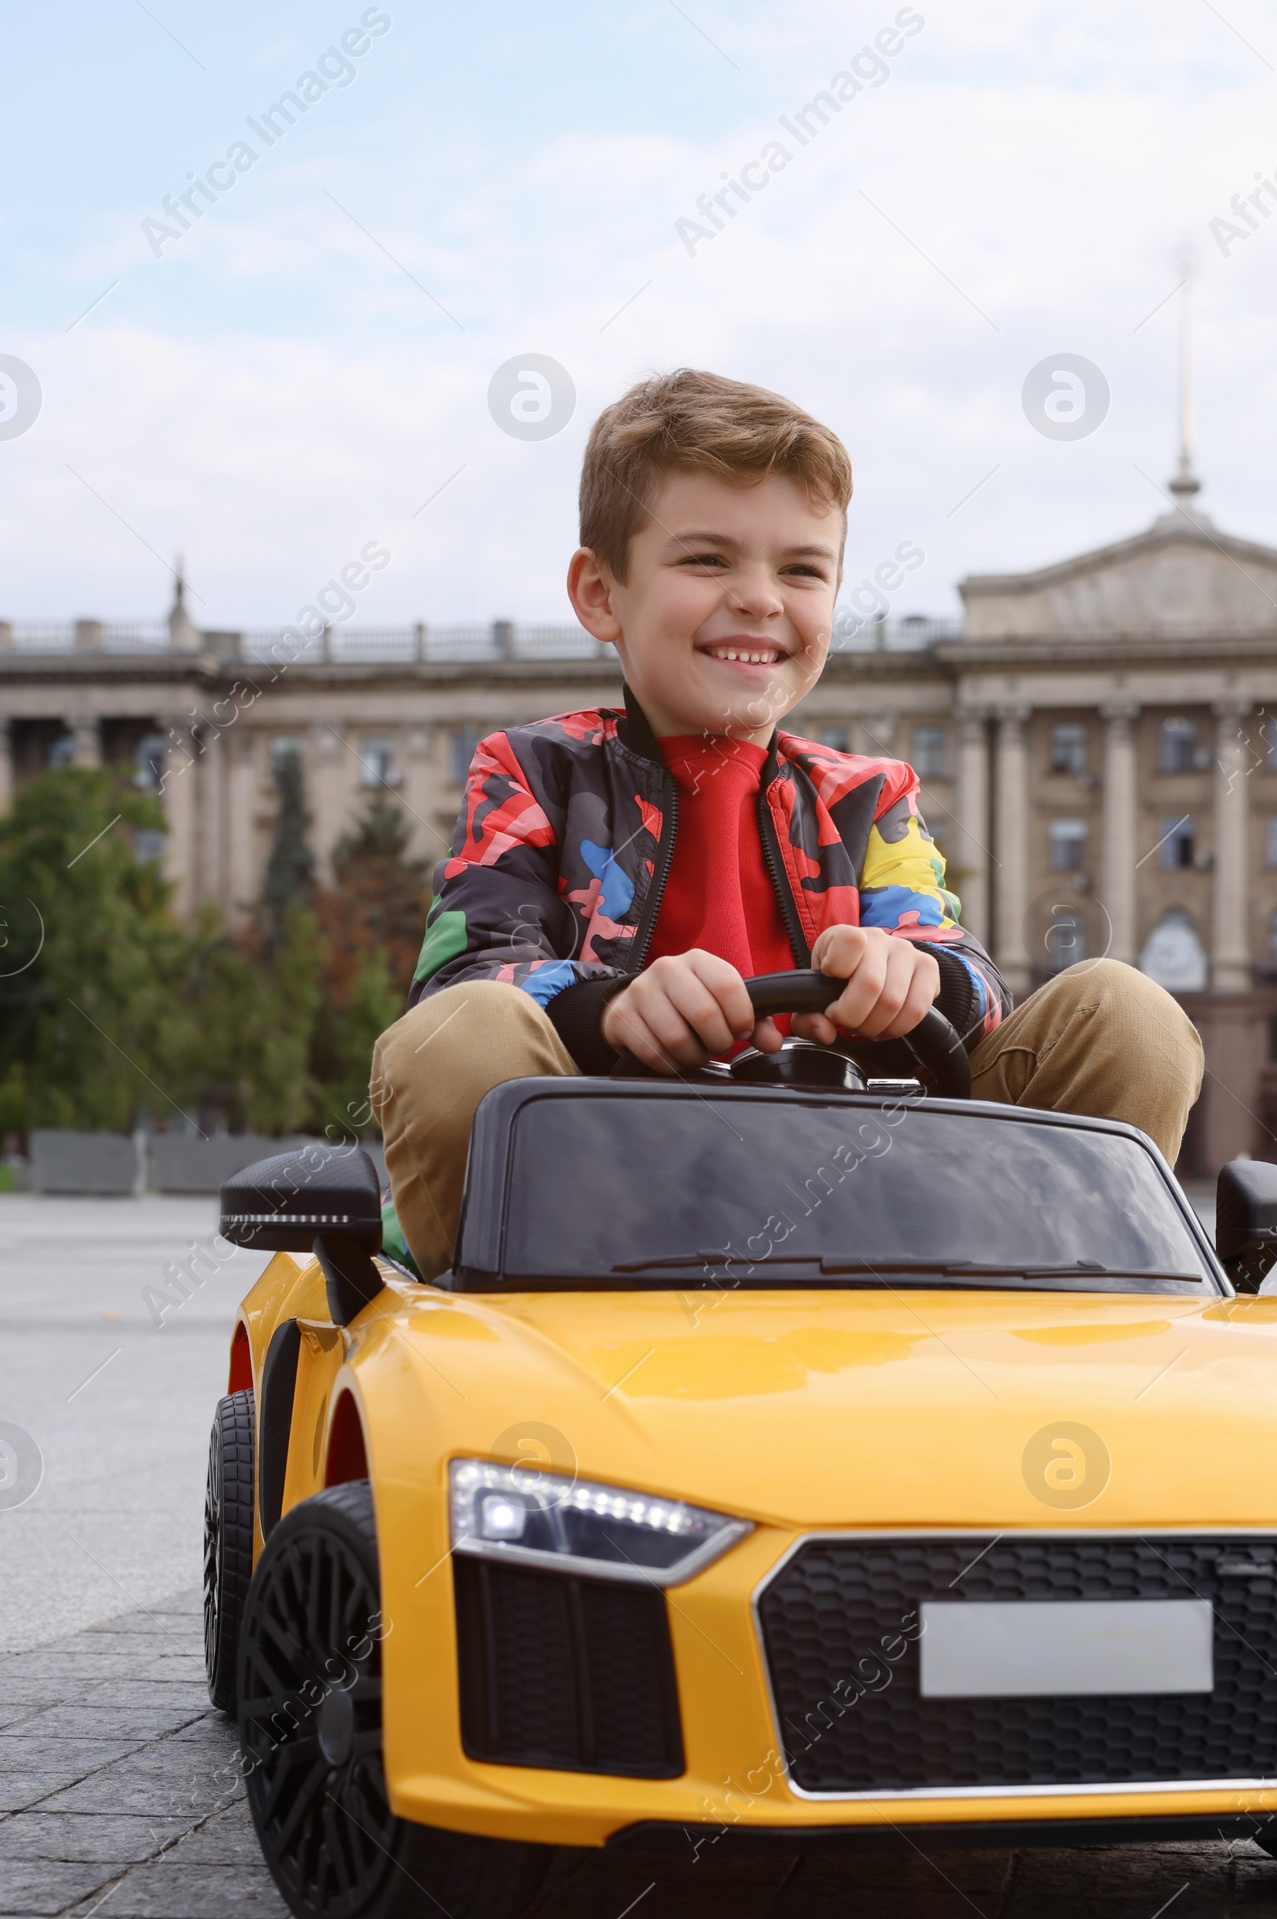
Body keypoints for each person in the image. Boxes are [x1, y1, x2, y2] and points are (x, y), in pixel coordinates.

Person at [373, 368, 1204, 1278]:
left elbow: (968, 974)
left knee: (1130, 1012)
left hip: (870, 1208)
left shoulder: (867, 796)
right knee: (457, 1037)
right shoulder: (534, 770)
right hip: (593, 1207)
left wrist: (918, 978)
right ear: (601, 593)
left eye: (801, 569)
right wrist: (611, 1005)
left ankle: (1067, 1318)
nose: (762, 598)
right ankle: (489, 1333)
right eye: (707, 559)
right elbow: (469, 972)